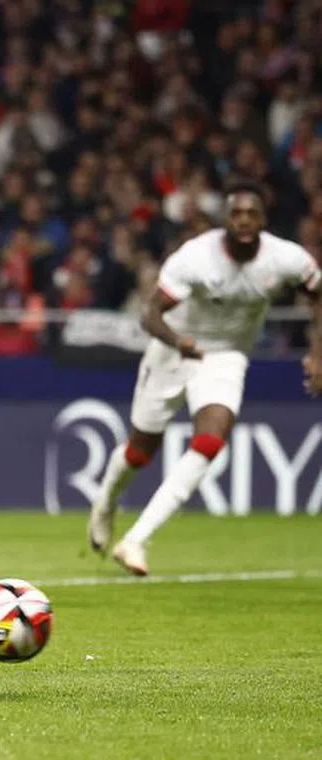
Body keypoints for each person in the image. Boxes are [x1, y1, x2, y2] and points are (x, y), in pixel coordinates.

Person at [88, 182, 322, 575]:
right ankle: (106, 503)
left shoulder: (286, 258)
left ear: (263, 221)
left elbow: (317, 294)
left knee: (210, 441)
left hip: (226, 356)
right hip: (173, 351)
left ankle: (136, 540)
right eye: (237, 214)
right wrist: (179, 341)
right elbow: (151, 315)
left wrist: (317, 353)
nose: (245, 221)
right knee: (140, 451)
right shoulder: (196, 258)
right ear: (226, 220)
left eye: (253, 214)